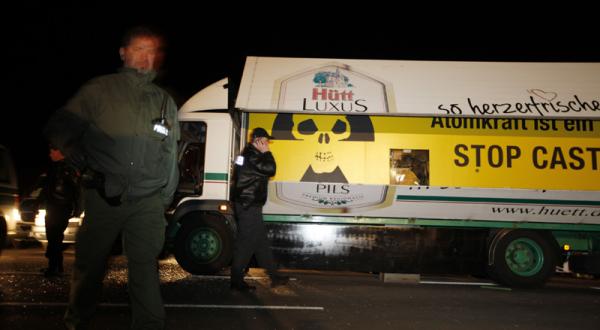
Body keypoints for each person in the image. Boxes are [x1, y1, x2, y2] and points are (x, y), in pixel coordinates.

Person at [43, 25, 179, 330]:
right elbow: (60, 123)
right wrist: (68, 144)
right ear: (123, 53)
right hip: (103, 196)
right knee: (90, 267)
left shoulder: (163, 101)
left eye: (151, 50)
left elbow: (171, 153)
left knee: (144, 268)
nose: (145, 57)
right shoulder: (99, 90)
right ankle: (77, 321)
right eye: (138, 49)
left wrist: (164, 198)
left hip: (147, 201)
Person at [230, 127, 289, 292]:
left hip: (248, 204)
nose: (267, 143)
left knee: (261, 242)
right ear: (257, 140)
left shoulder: (246, 154)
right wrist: (267, 153)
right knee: (246, 243)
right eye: (265, 140)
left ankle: (274, 276)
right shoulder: (252, 156)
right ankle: (236, 280)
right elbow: (271, 169)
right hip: (247, 205)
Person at [38, 146, 81, 278]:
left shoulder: (69, 169)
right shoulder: (54, 168)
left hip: (61, 208)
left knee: (54, 237)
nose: (50, 153)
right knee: (53, 237)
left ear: (60, 152)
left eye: (52, 150)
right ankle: (57, 265)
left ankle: (53, 267)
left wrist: (77, 208)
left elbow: (77, 190)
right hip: (53, 207)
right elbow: (46, 188)